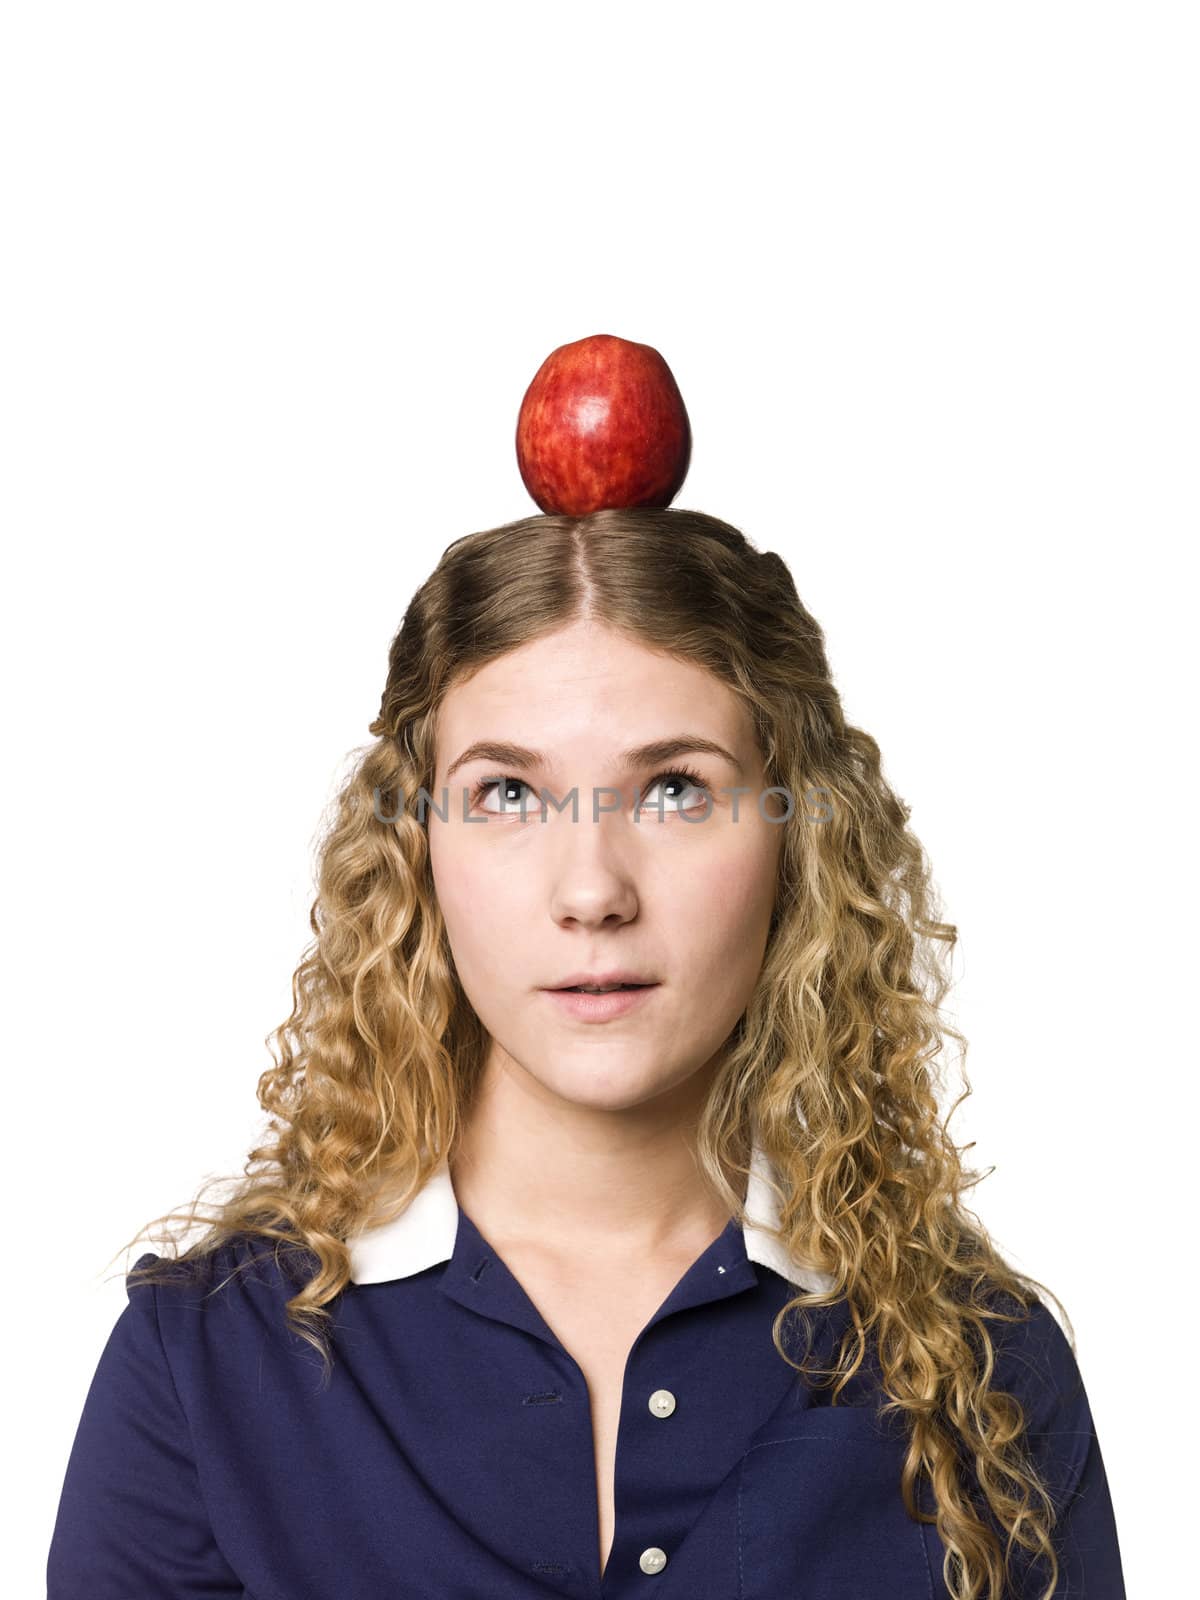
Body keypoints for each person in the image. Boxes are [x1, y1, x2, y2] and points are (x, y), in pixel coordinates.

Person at [47, 506, 1127, 1599]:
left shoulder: (985, 1374)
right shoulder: (208, 1369)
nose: (593, 891)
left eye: (674, 789)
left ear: (799, 839)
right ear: (416, 848)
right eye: (508, 793)